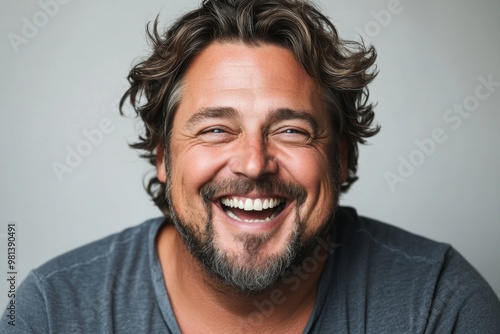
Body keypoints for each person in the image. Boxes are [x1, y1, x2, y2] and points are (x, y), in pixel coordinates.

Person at [3, 0, 500, 333]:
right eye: (216, 129)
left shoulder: (440, 307)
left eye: (291, 130)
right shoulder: (52, 312)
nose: (253, 162)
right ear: (162, 156)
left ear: (341, 156)